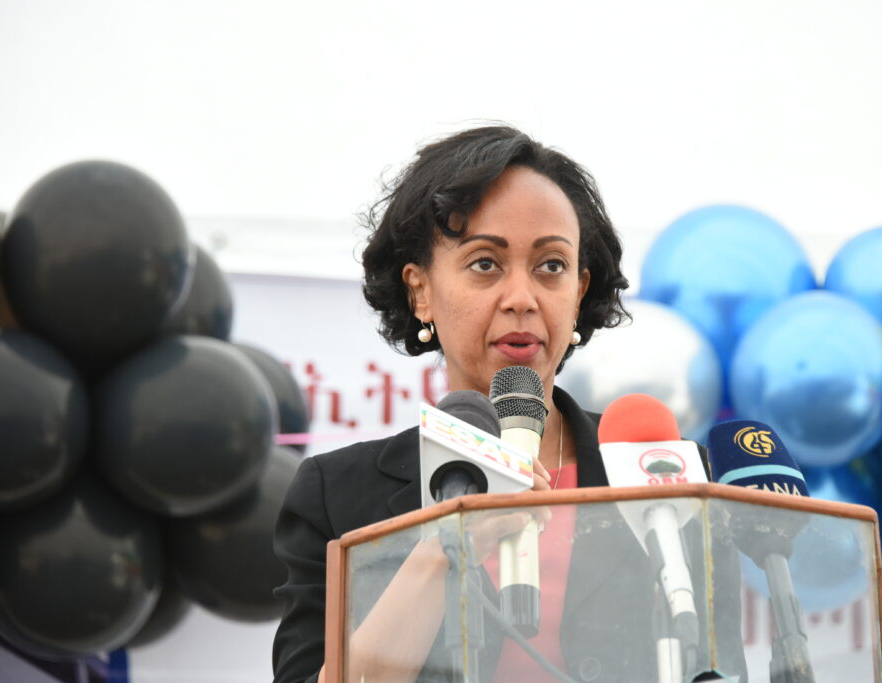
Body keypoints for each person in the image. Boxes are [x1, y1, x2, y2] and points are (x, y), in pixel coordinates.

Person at [271, 125, 744, 683]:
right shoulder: (336, 496)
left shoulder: (670, 481)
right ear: (420, 290)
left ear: (579, 291)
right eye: (485, 264)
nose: (522, 298)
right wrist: (442, 549)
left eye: (551, 266)